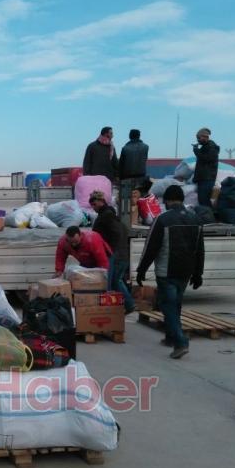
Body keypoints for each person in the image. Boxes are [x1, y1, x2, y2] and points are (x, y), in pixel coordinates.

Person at [136, 185, 204, 359]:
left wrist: (141, 270)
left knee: (168, 306)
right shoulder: (195, 219)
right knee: (177, 305)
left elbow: (150, 248)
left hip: (167, 272)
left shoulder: (162, 219)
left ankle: (181, 342)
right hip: (186, 272)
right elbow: (200, 249)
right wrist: (198, 273)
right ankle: (170, 337)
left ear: (166, 200)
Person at [89, 191, 135, 313]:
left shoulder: (107, 215)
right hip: (118, 253)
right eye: (92, 205)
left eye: (94, 204)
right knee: (116, 281)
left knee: (114, 281)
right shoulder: (107, 214)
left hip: (116, 255)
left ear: (101, 201)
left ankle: (128, 304)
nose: (93, 207)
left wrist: (110, 251)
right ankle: (126, 304)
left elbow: (116, 234)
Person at [192, 127, 219, 208]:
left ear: (204, 137)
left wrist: (196, 150)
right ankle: (206, 218)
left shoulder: (211, 147)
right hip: (204, 179)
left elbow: (207, 158)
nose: (198, 140)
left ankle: (207, 219)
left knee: (204, 202)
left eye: (198, 138)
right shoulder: (206, 147)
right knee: (202, 201)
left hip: (207, 179)